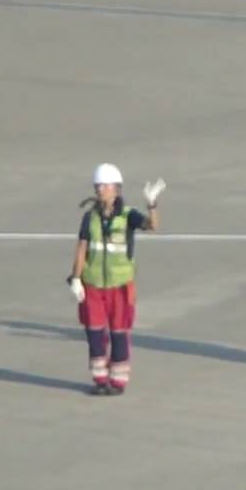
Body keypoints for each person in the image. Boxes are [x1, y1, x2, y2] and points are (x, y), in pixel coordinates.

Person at [66, 163, 163, 395]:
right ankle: (100, 379)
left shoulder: (128, 215)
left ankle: (118, 380)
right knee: (94, 333)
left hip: (120, 286)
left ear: (116, 189)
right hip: (93, 285)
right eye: (98, 185)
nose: (100, 190)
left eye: (105, 185)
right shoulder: (89, 218)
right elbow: (81, 248)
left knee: (119, 332)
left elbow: (152, 225)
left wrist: (152, 205)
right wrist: (76, 278)